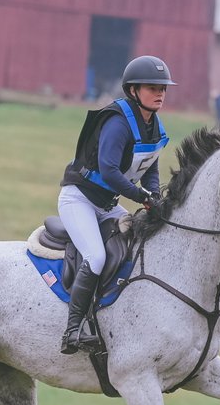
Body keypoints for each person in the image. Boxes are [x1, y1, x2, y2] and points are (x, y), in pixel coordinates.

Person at [57, 55, 174, 354]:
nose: (160, 93)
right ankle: (72, 331)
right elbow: (109, 170)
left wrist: (154, 197)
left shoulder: (152, 125)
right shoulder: (118, 123)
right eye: (152, 87)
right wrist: (141, 198)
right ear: (133, 90)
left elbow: (150, 167)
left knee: (140, 245)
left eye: (163, 88)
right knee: (95, 257)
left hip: (107, 203)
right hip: (79, 199)